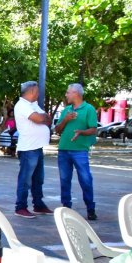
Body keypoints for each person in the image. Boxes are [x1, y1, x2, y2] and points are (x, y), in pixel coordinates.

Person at [54, 83, 98, 220]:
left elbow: (93, 129)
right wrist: (65, 120)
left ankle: (90, 208)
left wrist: (81, 132)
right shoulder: (66, 110)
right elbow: (57, 130)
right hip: (64, 149)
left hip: (80, 150)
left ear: (76, 94)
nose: (66, 95)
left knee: (85, 179)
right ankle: (66, 208)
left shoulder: (89, 109)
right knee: (64, 179)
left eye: (68, 92)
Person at [13, 81, 52, 219]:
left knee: (38, 179)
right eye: (37, 91)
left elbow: (47, 119)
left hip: (37, 147)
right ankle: (20, 207)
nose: (38, 93)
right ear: (30, 92)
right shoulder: (22, 105)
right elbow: (38, 118)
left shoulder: (33, 105)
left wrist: (43, 118)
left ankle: (38, 204)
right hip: (28, 148)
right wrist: (42, 118)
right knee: (25, 179)